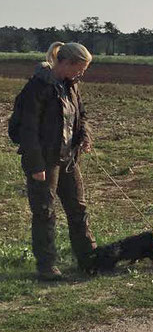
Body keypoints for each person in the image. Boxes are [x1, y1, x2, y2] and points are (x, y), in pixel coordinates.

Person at [14, 42, 96, 280]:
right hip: (45, 162)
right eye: (79, 69)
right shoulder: (37, 88)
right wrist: (36, 165)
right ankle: (46, 266)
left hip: (68, 158)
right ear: (65, 63)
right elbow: (28, 130)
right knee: (44, 212)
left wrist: (84, 137)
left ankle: (88, 257)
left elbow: (81, 115)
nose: (81, 74)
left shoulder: (71, 86)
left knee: (78, 209)